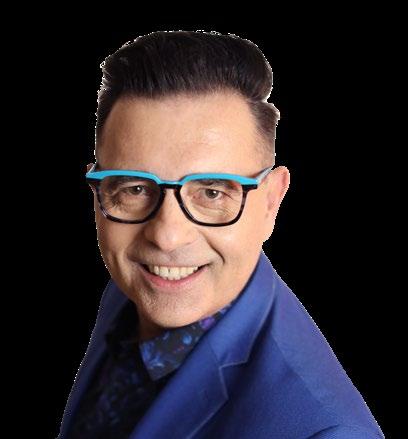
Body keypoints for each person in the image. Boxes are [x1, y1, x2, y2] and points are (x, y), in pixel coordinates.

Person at [58, 30, 383, 438]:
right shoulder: (135, 284)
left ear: (271, 201)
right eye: (135, 189)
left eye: (212, 192)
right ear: (99, 192)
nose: (166, 237)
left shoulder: (327, 433)